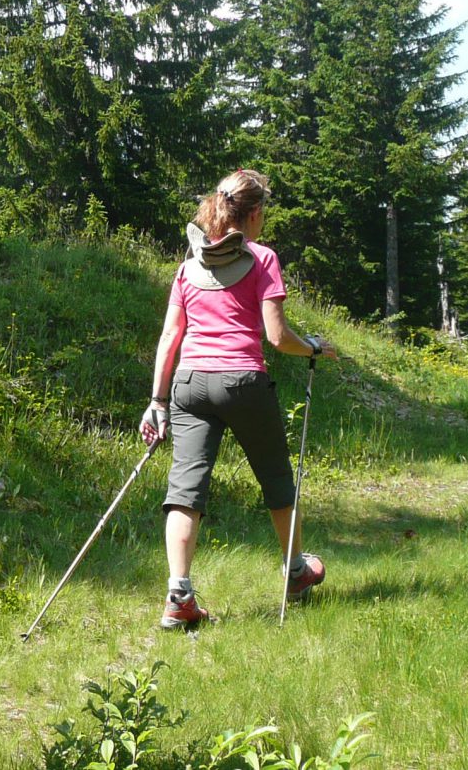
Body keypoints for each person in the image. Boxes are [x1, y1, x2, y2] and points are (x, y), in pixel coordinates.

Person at [139, 168, 337, 630]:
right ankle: (296, 573)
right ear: (251, 215)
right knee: (276, 479)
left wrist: (157, 400)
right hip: (243, 381)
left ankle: (178, 596)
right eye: (262, 213)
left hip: (188, 384)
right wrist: (313, 346)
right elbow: (276, 336)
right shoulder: (263, 258)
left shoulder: (189, 266)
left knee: (185, 491)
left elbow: (171, 336)